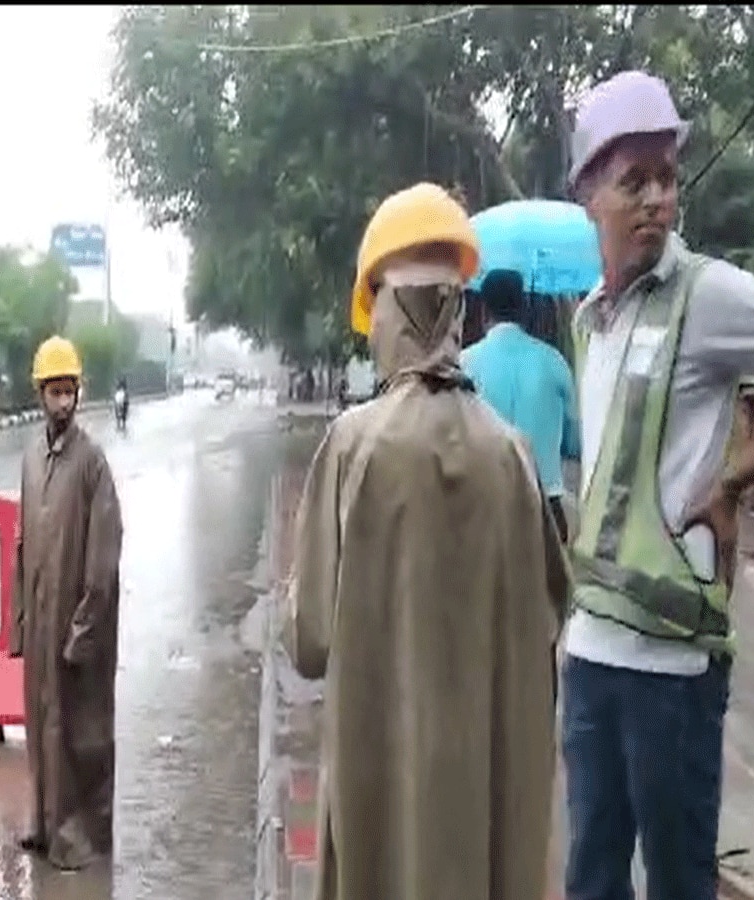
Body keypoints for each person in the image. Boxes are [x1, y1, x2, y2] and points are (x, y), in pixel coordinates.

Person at [288, 183, 571, 900]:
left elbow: (310, 640)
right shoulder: (512, 457)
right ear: (456, 307)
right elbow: (552, 607)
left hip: (382, 791)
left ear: (384, 308)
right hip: (482, 802)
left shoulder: (353, 448)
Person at [561, 70, 754, 900]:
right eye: (632, 180)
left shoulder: (709, 296)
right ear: (589, 194)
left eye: (667, 178)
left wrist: (738, 476)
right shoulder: (587, 320)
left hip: (674, 672)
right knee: (592, 877)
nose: (655, 199)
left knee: (680, 883)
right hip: (590, 657)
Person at [9, 334, 124, 872]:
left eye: (69, 391)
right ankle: (43, 822)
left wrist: (85, 630)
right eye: (53, 391)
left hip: (77, 627)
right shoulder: (32, 459)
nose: (62, 402)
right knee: (40, 723)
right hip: (39, 624)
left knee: (79, 732)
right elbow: (21, 545)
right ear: (39, 394)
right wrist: (19, 624)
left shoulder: (92, 462)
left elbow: (104, 556)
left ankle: (79, 836)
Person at [461, 268, 581, 542]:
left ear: (483, 312)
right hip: (545, 510)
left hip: (483, 509)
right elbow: (575, 441)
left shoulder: (464, 364)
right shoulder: (554, 361)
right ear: (524, 309)